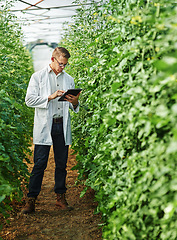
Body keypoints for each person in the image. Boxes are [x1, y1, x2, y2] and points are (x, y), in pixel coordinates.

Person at [22, 47, 80, 214]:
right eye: (61, 64)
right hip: (45, 126)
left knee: (61, 164)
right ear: (53, 59)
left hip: (61, 125)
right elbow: (29, 100)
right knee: (40, 163)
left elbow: (74, 106)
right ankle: (31, 200)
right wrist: (50, 97)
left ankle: (60, 198)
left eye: (65, 65)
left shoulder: (69, 79)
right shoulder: (38, 77)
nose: (63, 67)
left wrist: (74, 102)